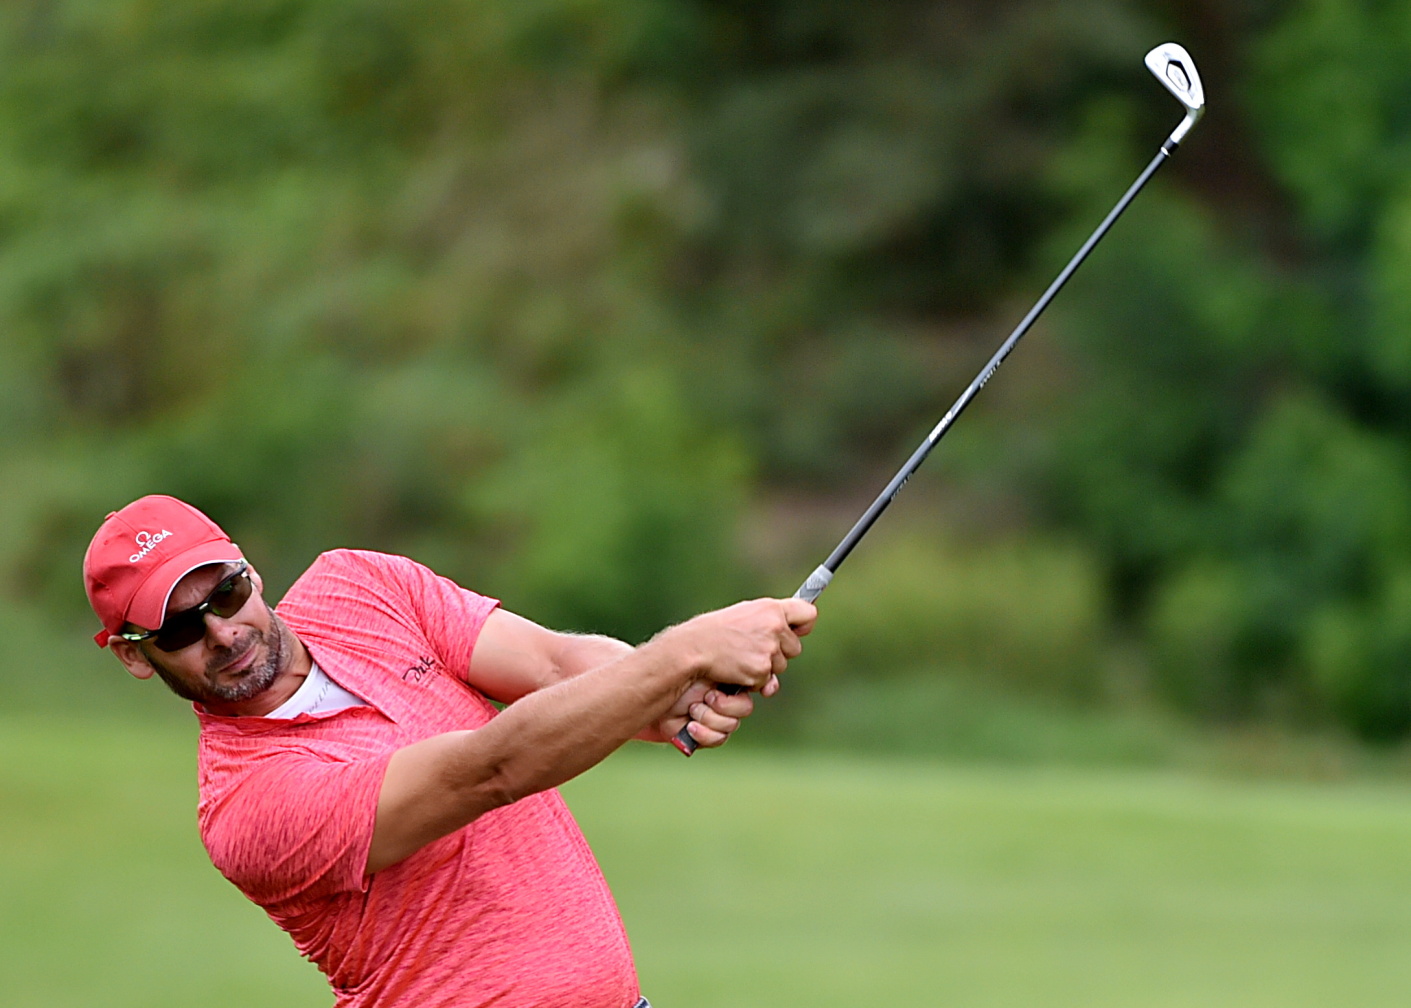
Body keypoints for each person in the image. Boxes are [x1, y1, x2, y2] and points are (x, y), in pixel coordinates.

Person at [83, 494, 815, 1008]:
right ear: (134, 655)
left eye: (226, 594)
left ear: (250, 571)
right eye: (180, 629)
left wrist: (666, 695)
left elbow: (555, 665)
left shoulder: (357, 585)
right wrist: (681, 656)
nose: (223, 632)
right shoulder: (247, 808)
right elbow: (489, 770)